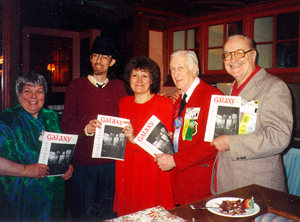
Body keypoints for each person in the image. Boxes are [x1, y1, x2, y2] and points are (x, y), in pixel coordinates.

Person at [211, 35, 293, 193]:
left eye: (239, 53)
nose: (232, 59)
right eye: (227, 55)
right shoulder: (233, 87)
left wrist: (231, 143)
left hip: (257, 187)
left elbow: (279, 136)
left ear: (253, 55)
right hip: (228, 181)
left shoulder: (274, 87)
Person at [60, 36, 127, 220]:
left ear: (112, 62)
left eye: (104, 57)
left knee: (110, 215)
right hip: (83, 168)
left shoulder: (119, 87)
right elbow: (65, 125)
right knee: (83, 216)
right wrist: (85, 129)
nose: (99, 61)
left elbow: (131, 115)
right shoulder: (76, 86)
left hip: (112, 165)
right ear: (90, 58)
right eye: (95, 55)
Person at [0, 72, 73, 221]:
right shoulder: (7, 119)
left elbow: (57, 150)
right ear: (19, 94)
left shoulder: (51, 117)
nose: (33, 96)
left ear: (44, 95)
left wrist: (66, 166)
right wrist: (25, 170)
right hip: (21, 198)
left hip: (51, 198)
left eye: (39, 91)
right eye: (27, 91)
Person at [155, 50, 223, 205]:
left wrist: (174, 160)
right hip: (181, 180)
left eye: (181, 68)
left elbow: (213, 144)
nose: (175, 73)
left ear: (194, 69)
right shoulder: (180, 98)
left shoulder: (212, 95)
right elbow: (188, 134)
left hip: (201, 184)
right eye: (172, 69)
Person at [114, 56, 175, 216]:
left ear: (152, 80)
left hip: (151, 170)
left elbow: (165, 146)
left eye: (145, 76)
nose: (139, 80)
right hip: (127, 168)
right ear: (129, 78)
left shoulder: (165, 104)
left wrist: (135, 139)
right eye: (135, 75)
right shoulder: (124, 102)